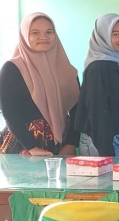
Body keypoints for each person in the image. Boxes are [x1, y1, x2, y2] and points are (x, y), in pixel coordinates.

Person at [0, 13, 80, 155]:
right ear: (25, 35)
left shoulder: (67, 70)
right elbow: (10, 113)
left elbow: (77, 110)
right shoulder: (12, 68)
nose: (43, 37)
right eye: (35, 32)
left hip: (60, 144)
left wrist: (71, 143)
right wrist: (31, 147)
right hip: (22, 146)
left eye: (49, 32)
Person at [73, 14, 119, 158]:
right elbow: (97, 110)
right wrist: (106, 151)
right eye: (115, 34)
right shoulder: (98, 67)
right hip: (103, 141)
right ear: (102, 37)